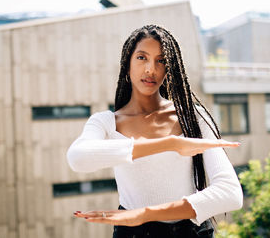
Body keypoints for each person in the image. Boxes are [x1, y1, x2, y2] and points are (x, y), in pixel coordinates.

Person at [66, 25, 243, 238]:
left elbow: (230, 193)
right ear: (127, 63)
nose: (151, 69)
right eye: (142, 58)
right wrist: (171, 144)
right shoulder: (106, 122)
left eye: (161, 61)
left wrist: (144, 214)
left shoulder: (192, 117)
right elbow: (78, 158)